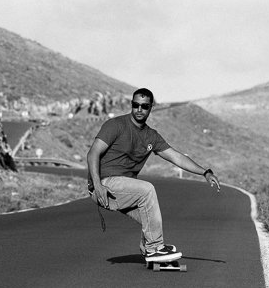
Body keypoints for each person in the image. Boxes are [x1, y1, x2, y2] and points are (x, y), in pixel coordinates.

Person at [86, 88, 220, 263]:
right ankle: (154, 248)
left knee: (150, 220)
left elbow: (177, 157)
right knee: (147, 190)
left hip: (122, 188)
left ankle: (148, 248)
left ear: (151, 108)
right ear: (131, 105)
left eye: (144, 106)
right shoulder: (115, 125)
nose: (139, 109)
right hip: (104, 184)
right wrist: (97, 184)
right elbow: (93, 153)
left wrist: (205, 172)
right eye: (135, 105)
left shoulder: (151, 136)